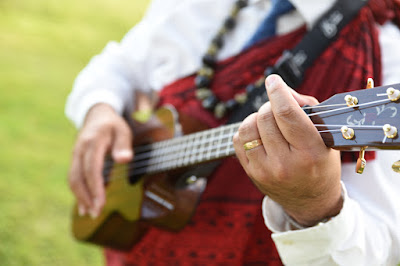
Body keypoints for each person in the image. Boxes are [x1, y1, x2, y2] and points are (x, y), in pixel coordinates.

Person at [65, 0, 400, 264]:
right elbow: (122, 64)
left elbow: (377, 252)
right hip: (139, 244)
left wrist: (315, 203)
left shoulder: (386, 55)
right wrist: (99, 108)